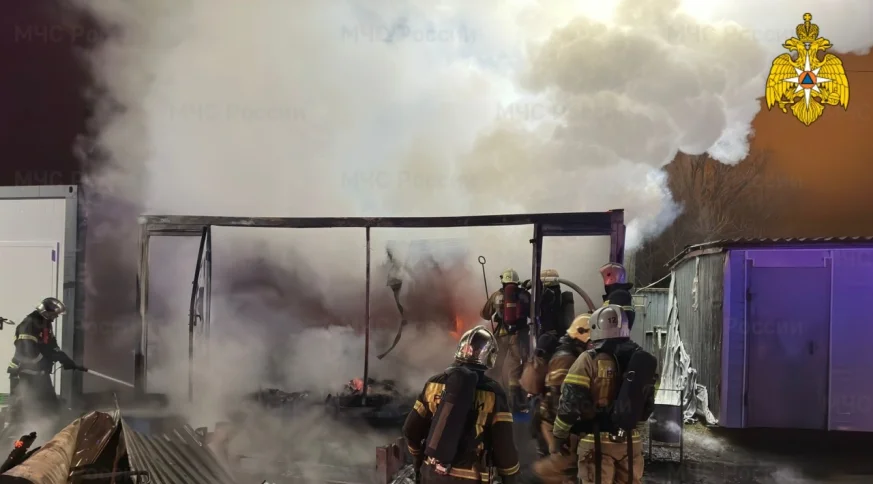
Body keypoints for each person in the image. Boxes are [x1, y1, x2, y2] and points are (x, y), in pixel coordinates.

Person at [402, 325, 520, 484]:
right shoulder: (494, 393)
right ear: (489, 356)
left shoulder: (433, 384)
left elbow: (410, 430)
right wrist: (510, 477)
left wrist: (418, 460)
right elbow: (504, 448)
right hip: (472, 478)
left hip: (432, 475)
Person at [552, 305, 654, 484]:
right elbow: (647, 406)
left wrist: (559, 435)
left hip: (597, 444)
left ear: (596, 327)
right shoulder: (641, 360)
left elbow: (571, 401)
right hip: (631, 445)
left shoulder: (588, 359)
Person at [532, 313, 593, 484]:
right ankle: (526, 478)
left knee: (568, 470)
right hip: (553, 421)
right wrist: (562, 433)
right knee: (564, 463)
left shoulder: (572, 354)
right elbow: (559, 397)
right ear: (582, 335)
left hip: (557, 420)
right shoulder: (566, 358)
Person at [6, 298, 87, 426]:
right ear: (45, 311)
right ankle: (13, 437)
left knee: (51, 406)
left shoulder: (46, 324)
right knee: (20, 412)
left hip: (39, 373)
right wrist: (42, 361)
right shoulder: (29, 324)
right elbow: (26, 350)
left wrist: (65, 359)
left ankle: (49, 433)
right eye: (54, 314)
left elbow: (52, 346)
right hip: (23, 373)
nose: (55, 317)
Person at [479, 268, 531, 412]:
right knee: (515, 368)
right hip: (519, 336)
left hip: (501, 335)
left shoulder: (497, 295)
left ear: (503, 281)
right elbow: (533, 314)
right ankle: (515, 403)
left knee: (494, 365)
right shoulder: (524, 295)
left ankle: (489, 396)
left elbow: (484, 314)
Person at [539, 269, 574, 336]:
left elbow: (541, 310)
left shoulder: (548, 294)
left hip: (550, 331)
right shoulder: (556, 292)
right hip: (558, 330)